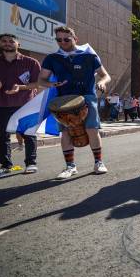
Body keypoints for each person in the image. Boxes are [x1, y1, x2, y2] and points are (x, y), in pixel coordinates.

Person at [38, 26, 111, 179]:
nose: (62, 42)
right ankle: (70, 166)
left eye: (66, 39)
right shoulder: (52, 58)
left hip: (87, 96)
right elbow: (41, 79)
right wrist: (50, 84)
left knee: (92, 129)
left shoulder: (89, 56)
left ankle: (99, 162)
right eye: (58, 39)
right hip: (63, 100)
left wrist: (103, 82)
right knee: (65, 132)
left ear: (75, 39)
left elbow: (105, 75)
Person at [0, 33, 41, 175]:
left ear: (18, 44)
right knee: (2, 136)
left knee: (28, 133)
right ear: (0, 44)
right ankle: (5, 165)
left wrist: (21, 87)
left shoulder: (31, 62)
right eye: (4, 41)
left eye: (11, 41)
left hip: (25, 104)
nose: (7, 43)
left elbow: (38, 83)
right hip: (2, 104)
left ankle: (31, 163)